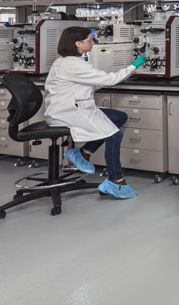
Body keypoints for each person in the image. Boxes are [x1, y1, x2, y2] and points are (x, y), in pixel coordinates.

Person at [43, 26, 147, 199]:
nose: (93, 42)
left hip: (74, 107)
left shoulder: (67, 61)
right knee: (114, 136)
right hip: (67, 112)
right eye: (89, 40)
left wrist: (104, 78)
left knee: (119, 117)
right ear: (77, 43)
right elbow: (110, 80)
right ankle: (116, 181)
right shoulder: (72, 64)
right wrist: (132, 66)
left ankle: (83, 153)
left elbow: (89, 82)